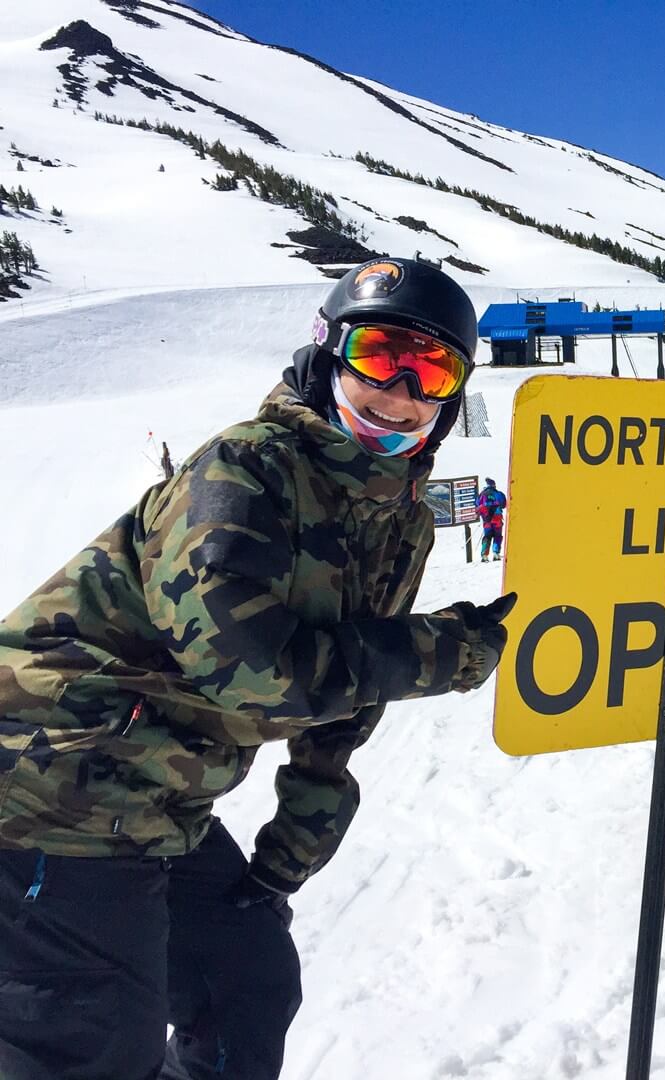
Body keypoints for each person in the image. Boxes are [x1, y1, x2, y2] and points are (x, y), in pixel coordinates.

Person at [0, 256, 515, 1080]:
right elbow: (242, 671)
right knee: (91, 1039)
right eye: (382, 355)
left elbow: (347, 701)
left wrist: (291, 848)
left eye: (434, 370)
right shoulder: (247, 469)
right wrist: (441, 652)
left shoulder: (397, 521)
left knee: (246, 986)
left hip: (157, 795)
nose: (404, 390)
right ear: (327, 352)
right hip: (48, 779)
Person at [479, 476, 506, 562]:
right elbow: (503, 505)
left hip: (486, 520)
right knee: (497, 536)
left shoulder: (482, 495)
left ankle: (484, 555)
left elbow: (477, 505)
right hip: (497, 519)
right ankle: (496, 553)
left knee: (487, 536)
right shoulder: (499, 494)